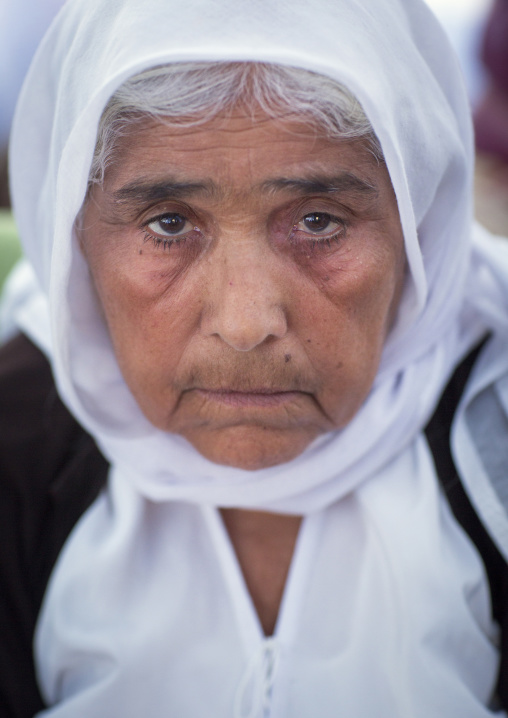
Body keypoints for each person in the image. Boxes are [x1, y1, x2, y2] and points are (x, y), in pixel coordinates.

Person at [2, 0, 508, 715]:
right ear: (75, 236)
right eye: (168, 224)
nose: (245, 325)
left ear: (420, 226)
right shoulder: (18, 438)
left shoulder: (495, 423)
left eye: (318, 220)